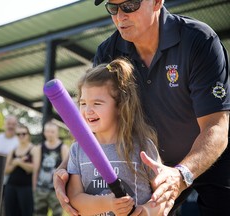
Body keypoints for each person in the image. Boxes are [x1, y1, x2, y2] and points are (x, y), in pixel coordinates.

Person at [54, 0, 230, 215]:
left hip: (210, 156)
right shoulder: (108, 52)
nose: (120, 16)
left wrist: (181, 174)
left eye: (130, 6)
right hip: (148, 164)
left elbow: (217, 125)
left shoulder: (199, 40)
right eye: (113, 8)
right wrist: (67, 168)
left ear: (157, 2)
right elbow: (96, 122)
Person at [67, 58, 167, 215]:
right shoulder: (77, 150)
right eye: (83, 103)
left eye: (97, 103)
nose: (88, 110)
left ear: (120, 106)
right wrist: (107, 203)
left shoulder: (142, 146)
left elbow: (163, 195)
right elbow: (75, 198)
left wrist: (147, 211)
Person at [32, 120, 69, 216]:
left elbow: (67, 169)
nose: (49, 134)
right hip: (41, 188)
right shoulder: (40, 147)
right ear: (44, 132)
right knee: (38, 213)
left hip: (56, 189)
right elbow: (36, 169)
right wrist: (34, 186)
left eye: (52, 131)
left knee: (57, 213)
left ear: (57, 133)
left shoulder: (63, 147)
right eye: (47, 131)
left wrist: (65, 189)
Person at [4, 124, 37, 216]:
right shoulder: (13, 150)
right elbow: (6, 170)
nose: (21, 136)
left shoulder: (34, 149)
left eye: (23, 133)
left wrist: (19, 162)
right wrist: (16, 163)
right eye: (18, 134)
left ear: (28, 135)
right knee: (9, 213)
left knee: (26, 213)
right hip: (11, 185)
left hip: (26, 187)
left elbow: (34, 168)